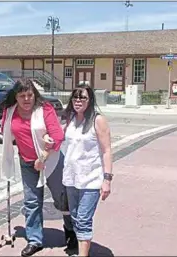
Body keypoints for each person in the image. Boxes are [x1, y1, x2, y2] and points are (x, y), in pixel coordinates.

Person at [0, 79, 77, 257]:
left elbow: (58, 137)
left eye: (30, 95)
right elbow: (6, 132)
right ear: (16, 97)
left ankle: (71, 232)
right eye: (22, 96)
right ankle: (35, 240)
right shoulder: (10, 111)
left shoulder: (45, 109)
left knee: (62, 199)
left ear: (35, 95)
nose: (27, 99)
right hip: (27, 162)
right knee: (31, 201)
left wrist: (43, 154)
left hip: (52, 161)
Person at [58, 84, 113, 257]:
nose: (78, 101)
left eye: (83, 97)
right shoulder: (71, 118)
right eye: (75, 97)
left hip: (91, 179)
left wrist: (107, 179)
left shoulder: (98, 120)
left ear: (90, 100)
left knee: (83, 219)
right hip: (71, 178)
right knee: (74, 217)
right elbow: (57, 135)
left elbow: (107, 151)